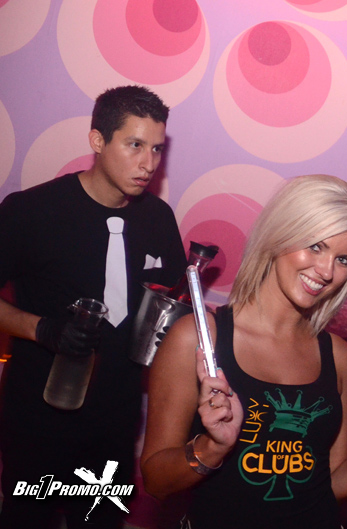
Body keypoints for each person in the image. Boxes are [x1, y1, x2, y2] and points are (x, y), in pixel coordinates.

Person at [140, 174, 347, 529]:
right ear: (279, 235)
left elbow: (328, 483)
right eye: (315, 246)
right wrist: (213, 447)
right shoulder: (197, 339)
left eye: (344, 259)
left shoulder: (340, 357)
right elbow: (156, 482)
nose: (326, 271)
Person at [0, 85, 186, 528]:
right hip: (38, 417)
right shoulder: (31, 211)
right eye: (135, 145)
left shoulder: (158, 219)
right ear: (98, 140)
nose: (148, 163)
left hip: (115, 422)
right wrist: (43, 329)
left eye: (156, 148)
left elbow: (169, 306)